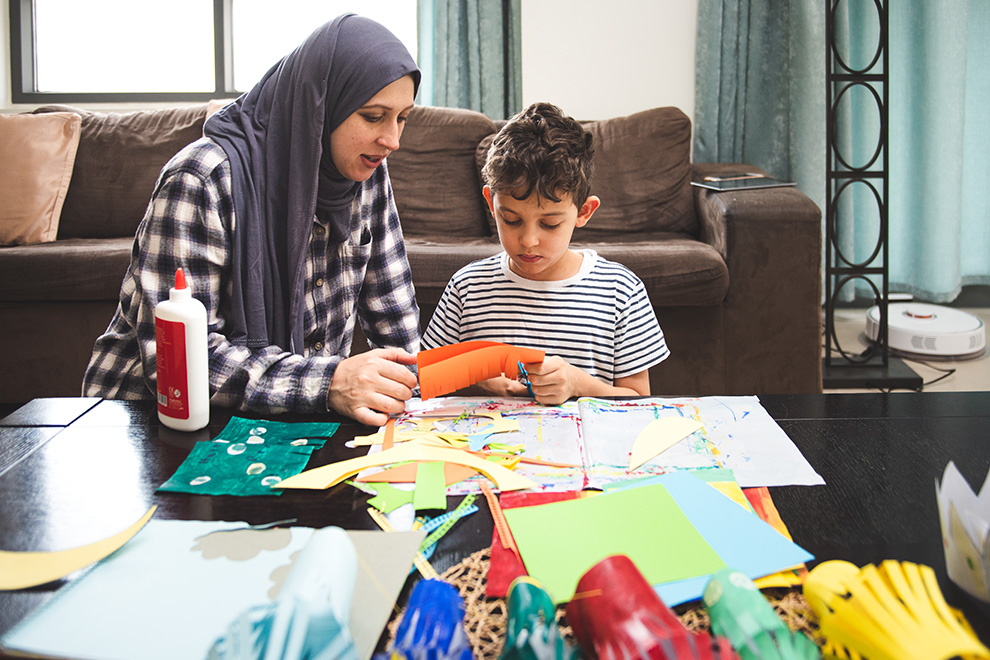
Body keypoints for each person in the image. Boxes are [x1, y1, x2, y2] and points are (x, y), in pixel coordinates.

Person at [83, 15, 421, 426]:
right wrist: (330, 382)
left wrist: (435, 382)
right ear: (321, 104)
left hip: (291, 416)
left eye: (402, 118)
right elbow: (179, 362)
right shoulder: (202, 177)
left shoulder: (367, 173)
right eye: (373, 116)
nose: (392, 140)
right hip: (147, 421)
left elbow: (395, 319)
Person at [421, 102, 669, 405]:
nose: (528, 241)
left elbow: (639, 401)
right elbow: (426, 383)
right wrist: (478, 383)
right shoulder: (468, 287)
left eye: (550, 224)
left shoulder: (620, 290)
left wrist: (579, 384)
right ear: (491, 203)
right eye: (510, 219)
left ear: (584, 212)